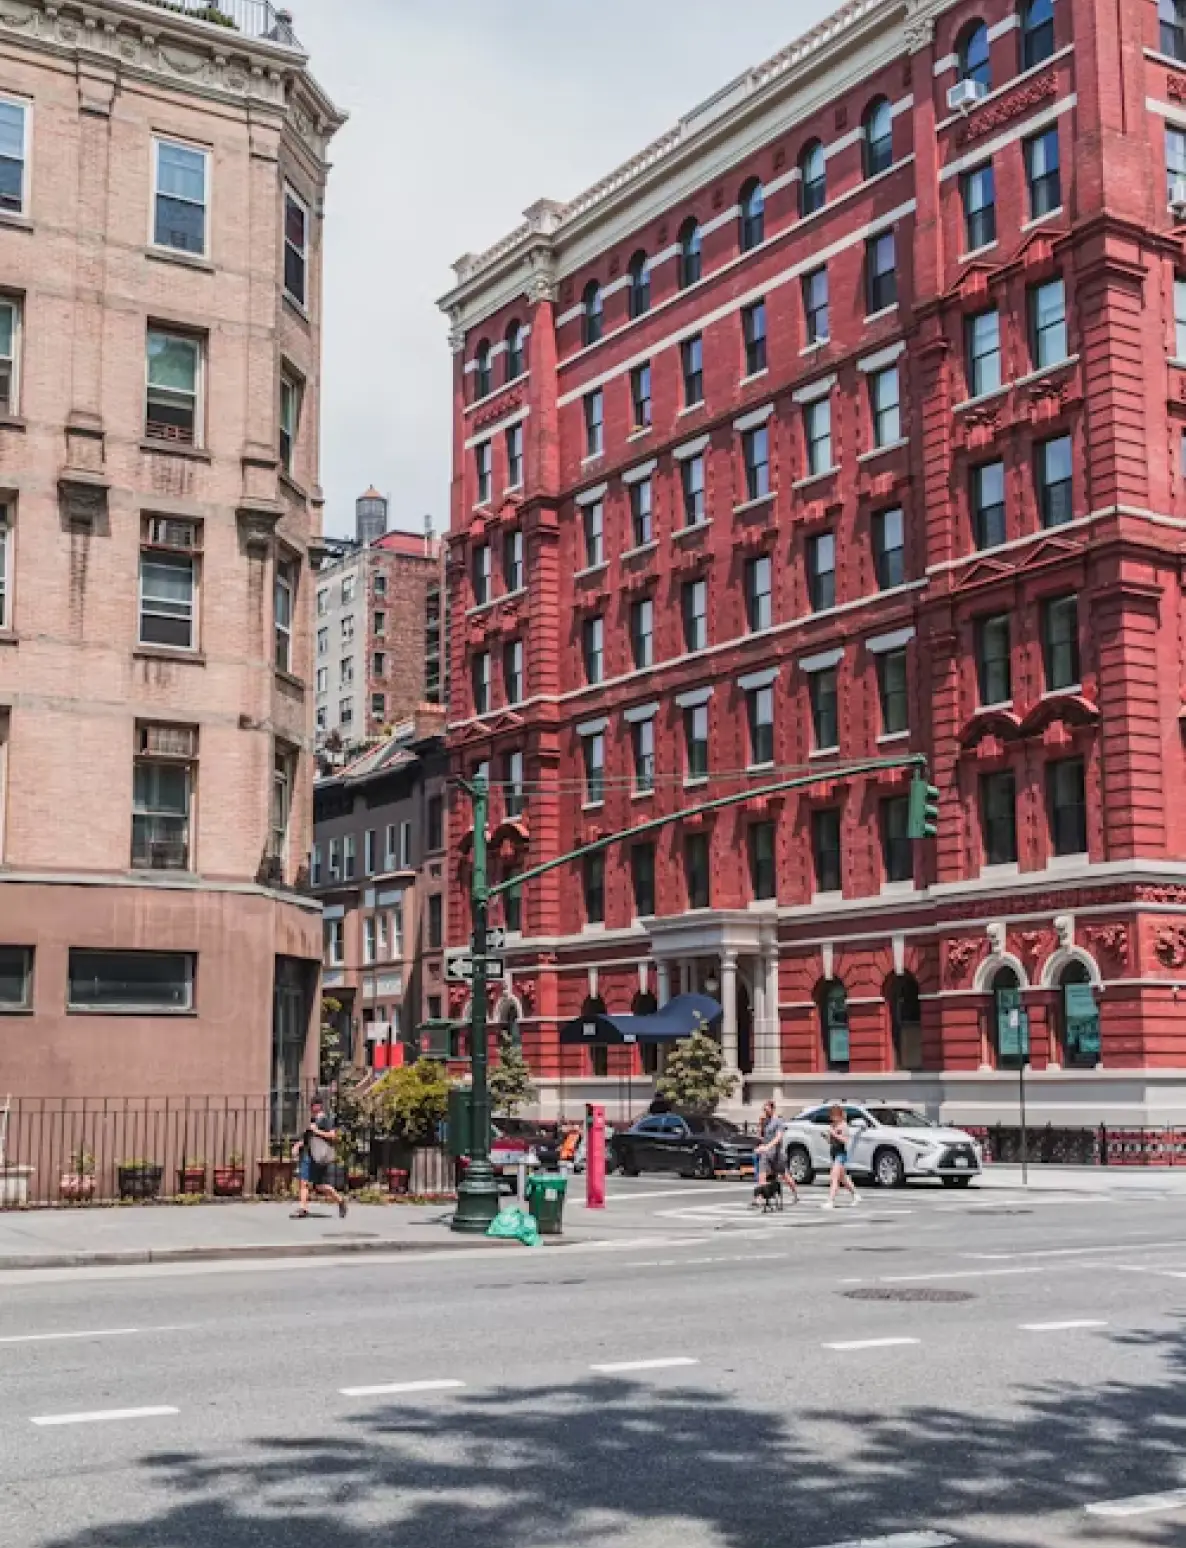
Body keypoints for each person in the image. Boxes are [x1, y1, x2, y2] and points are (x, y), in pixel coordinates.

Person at [292, 1096, 348, 1219]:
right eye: (311, 1106)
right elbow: (308, 1138)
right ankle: (304, 1208)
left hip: (318, 1156)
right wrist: (298, 1145)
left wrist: (317, 1131)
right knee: (309, 1183)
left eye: (313, 1105)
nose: (311, 1108)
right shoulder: (313, 1120)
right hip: (309, 1154)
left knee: (313, 1184)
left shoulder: (325, 1120)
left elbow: (332, 1135)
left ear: (318, 1106)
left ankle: (339, 1201)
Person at [753, 1099, 799, 1206]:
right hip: (765, 1153)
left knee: (785, 1176)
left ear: (772, 1109)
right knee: (762, 1175)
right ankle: (759, 1198)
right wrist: (759, 1133)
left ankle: (795, 1194)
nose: (765, 1112)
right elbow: (761, 1137)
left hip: (777, 1154)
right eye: (764, 1110)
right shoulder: (765, 1121)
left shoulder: (778, 1121)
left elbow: (778, 1137)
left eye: (767, 1109)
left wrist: (768, 1146)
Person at [822, 1103, 859, 1210]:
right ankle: (855, 1195)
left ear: (839, 1115)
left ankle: (830, 1201)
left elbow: (845, 1140)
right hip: (833, 1152)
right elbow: (831, 1141)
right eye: (831, 1115)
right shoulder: (832, 1125)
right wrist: (827, 1137)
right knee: (843, 1178)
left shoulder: (843, 1125)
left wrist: (834, 1134)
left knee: (834, 1177)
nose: (832, 1117)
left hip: (840, 1154)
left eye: (834, 1115)